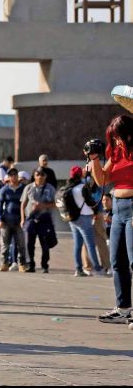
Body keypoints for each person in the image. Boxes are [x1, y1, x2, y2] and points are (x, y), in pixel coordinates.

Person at [88, 115, 133, 326]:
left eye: (118, 136)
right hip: (117, 208)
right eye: (113, 137)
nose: (116, 141)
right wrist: (94, 159)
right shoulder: (116, 154)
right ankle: (123, 308)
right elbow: (102, 180)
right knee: (117, 260)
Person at [66, 166, 103, 277]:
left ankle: (78, 269)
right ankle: (98, 269)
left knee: (78, 245)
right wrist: (96, 211)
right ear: (79, 175)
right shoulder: (83, 187)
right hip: (84, 217)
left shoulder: (69, 187)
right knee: (90, 244)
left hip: (73, 218)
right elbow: (90, 202)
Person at [20, 167, 56, 274]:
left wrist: (42, 205)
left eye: (42, 174)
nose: (40, 176)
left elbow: (56, 204)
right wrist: (22, 219)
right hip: (30, 219)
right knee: (29, 243)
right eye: (37, 174)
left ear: (46, 176)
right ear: (34, 176)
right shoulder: (28, 188)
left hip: (44, 219)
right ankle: (30, 265)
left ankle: (45, 265)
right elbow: (23, 204)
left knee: (45, 244)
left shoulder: (50, 188)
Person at [81, 173, 111, 275]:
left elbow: (97, 200)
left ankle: (106, 265)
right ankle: (87, 267)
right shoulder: (82, 188)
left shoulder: (98, 189)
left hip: (97, 215)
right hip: (86, 215)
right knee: (86, 242)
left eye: (92, 179)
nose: (90, 181)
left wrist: (94, 212)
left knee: (101, 240)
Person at [0, 168, 26, 272]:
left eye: (15, 174)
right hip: (6, 221)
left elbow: (26, 203)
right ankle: (4, 264)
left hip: (19, 220)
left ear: (18, 176)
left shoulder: (23, 189)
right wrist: (0, 219)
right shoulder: (4, 190)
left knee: (21, 244)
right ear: (8, 177)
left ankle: (22, 264)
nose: (13, 176)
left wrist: (25, 218)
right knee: (4, 245)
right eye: (11, 175)